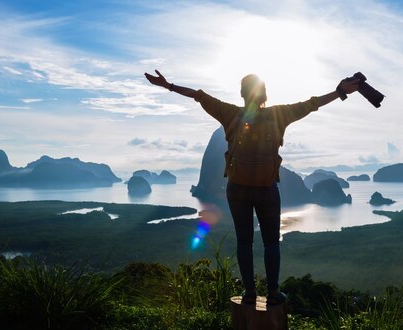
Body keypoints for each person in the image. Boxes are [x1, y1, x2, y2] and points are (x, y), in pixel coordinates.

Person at [144, 70, 360, 304]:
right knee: (270, 242)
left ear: (242, 94)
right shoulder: (280, 114)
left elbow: (199, 95)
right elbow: (312, 104)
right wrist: (340, 92)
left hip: (237, 189)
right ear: (265, 93)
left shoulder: (229, 114)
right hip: (267, 189)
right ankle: (274, 293)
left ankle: (249, 292)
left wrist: (168, 86)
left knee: (244, 242)